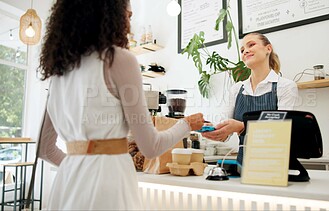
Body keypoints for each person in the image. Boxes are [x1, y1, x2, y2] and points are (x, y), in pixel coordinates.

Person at [36, 0, 204, 210]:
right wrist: (187, 124)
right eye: (128, 16)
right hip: (109, 185)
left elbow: (44, 149)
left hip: (67, 184)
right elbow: (150, 147)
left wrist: (80, 167)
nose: (129, 25)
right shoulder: (118, 60)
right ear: (109, 14)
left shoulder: (58, 73)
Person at [202, 32, 298, 166]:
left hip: (275, 166)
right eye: (242, 50)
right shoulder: (236, 89)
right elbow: (225, 134)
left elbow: (281, 131)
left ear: (268, 49)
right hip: (244, 166)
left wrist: (242, 126)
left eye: (251, 45)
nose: (245, 51)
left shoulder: (285, 87)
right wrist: (213, 130)